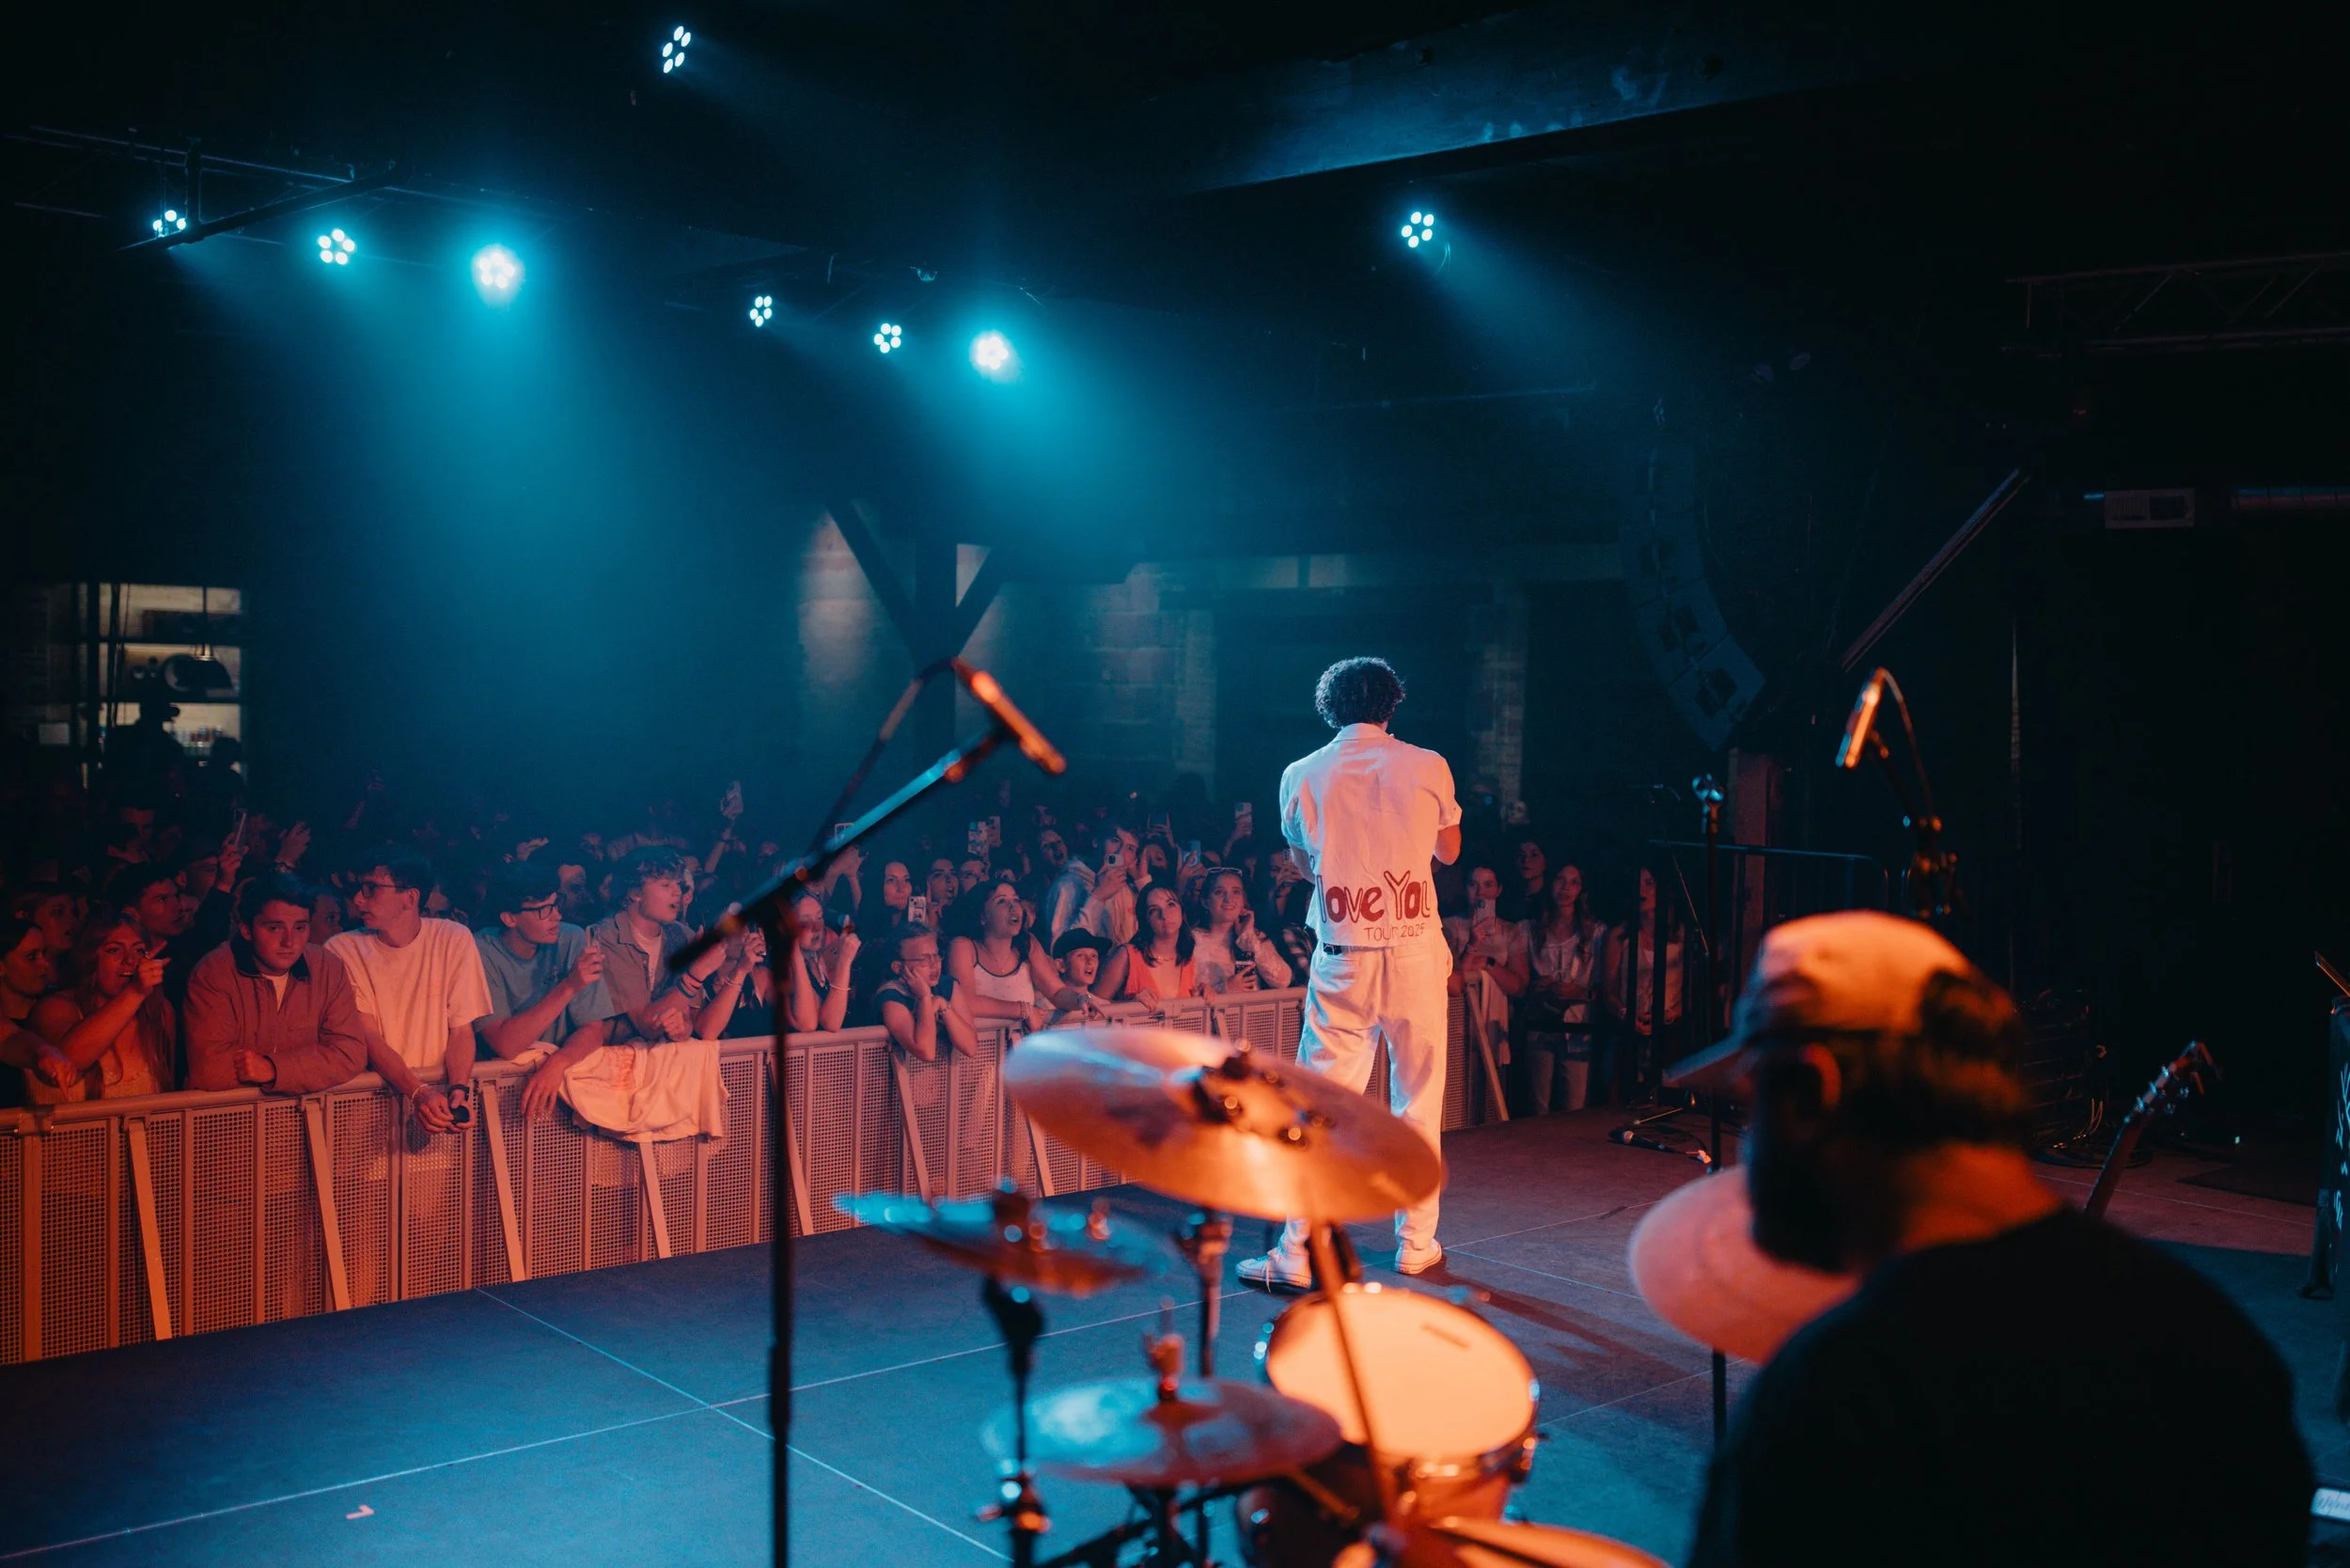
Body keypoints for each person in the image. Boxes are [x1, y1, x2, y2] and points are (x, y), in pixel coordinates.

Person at [1675, 910, 2311, 1567]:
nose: (1750, 1145)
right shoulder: (2213, 1340)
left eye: (1751, 1107)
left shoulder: (1836, 1397)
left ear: (1812, 1092)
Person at [1242, 657, 1460, 1290]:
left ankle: (1296, 1251)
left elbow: (1304, 861)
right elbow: (1448, 851)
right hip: (1416, 951)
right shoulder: (1428, 765)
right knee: (1418, 1103)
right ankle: (1417, 1244)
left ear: (1328, 708)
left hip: (1345, 953)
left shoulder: (1300, 774)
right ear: (1392, 704)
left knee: (1318, 1111)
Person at [329, 846, 494, 1135]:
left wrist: (458, 1089)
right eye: (359, 888)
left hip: (437, 1107)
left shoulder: (452, 938)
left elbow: (461, 1029)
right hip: (367, 1110)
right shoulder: (342, 948)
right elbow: (368, 1036)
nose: (357, 899)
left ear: (410, 897)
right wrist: (417, 1092)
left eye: (371, 889)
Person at [182, 871, 369, 1093]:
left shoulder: (327, 966)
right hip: (231, 1121)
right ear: (246, 930)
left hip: (304, 1118)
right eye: (274, 928)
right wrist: (311, 1068)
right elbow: (210, 1071)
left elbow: (350, 1054)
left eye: (300, 928)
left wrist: (272, 1068)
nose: (289, 941)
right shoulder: (214, 971)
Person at [472, 862, 621, 1118]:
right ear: (509, 918)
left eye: (556, 903)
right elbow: (505, 1044)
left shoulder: (571, 937)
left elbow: (594, 1029)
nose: (556, 916)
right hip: (500, 1093)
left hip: (562, 1080)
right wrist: (570, 985)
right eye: (543, 910)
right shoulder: (480, 951)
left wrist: (557, 1064)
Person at [29, 913, 176, 1102]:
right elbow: (69, 1057)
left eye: (139, 951)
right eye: (114, 950)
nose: (130, 961)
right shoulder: (55, 1007)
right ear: (90, 959)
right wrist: (134, 993)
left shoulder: (159, 1012)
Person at [590, 848, 717, 1043]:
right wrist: (696, 974)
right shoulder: (607, 936)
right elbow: (647, 1024)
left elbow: (690, 1019)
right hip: (610, 1062)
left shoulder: (683, 935)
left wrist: (681, 1029)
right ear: (635, 893)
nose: (677, 892)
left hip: (661, 1062)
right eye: (666, 885)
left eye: (679, 884)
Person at [948, 880, 1100, 1033]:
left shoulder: (1028, 945)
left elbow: (1056, 992)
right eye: (1001, 901)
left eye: (1015, 900)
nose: (1013, 907)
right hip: (977, 1054)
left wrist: (1079, 999)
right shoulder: (962, 946)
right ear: (982, 916)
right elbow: (966, 1002)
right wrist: (1024, 1010)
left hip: (1019, 1052)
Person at [1515, 862, 1605, 1111]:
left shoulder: (1595, 933)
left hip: (1578, 1029)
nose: (1565, 888)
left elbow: (1605, 988)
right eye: (1560, 880)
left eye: (1573, 882)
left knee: (1574, 1106)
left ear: (1581, 890)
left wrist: (1580, 993)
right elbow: (1522, 982)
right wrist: (1537, 987)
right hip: (1540, 1026)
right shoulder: (1529, 930)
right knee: (1537, 1106)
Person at [1605, 864, 1686, 1104]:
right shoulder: (1620, 935)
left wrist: (1669, 1014)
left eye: (1649, 883)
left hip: (1670, 1032)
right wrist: (1626, 1013)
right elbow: (1609, 990)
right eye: (1638, 883)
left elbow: (1694, 993)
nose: (1642, 889)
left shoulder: (1682, 935)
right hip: (1629, 1031)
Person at [870, 926, 977, 1062]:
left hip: (942, 1079)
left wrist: (941, 1004)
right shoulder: (891, 997)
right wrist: (925, 998)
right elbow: (926, 1052)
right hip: (890, 1079)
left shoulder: (947, 985)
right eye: (924, 959)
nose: (935, 964)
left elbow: (971, 1047)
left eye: (936, 955)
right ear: (898, 967)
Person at [1042, 821, 1148, 948]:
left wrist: (1143, 881)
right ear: (1096, 841)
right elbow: (1059, 948)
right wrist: (1098, 897)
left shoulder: (1129, 891)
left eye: (1130, 848)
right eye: (1115, 841)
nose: (1120, 853)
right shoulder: (1066, 886)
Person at [1189, 867, 1294, 994]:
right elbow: (1187, 992)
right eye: (1219, 892)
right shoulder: (1192, 939)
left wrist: (1248, 937)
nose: (1228, 899)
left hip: (1252, 1012)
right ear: (1205, 902)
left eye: (1236, 892)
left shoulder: (1254, 936)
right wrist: (1225, 988)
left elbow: (1283, 981)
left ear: (1243, 901)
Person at [1101, 884, 1198, 1008]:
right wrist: (1129, 1005)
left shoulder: (1187, 958)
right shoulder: (1126, 955)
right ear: (1146, 920)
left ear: (1182, 910)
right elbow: (1093, 1006)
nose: (1164, 915)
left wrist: (1202, 995)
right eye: (1153, 910)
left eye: (1170, 905)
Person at [781, 887, 856, 1034]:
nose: (817, 927)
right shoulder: (783, 969)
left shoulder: (819, 959)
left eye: (819, 918)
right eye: (804, 922)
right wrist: (844, 962)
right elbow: (811, 1024)